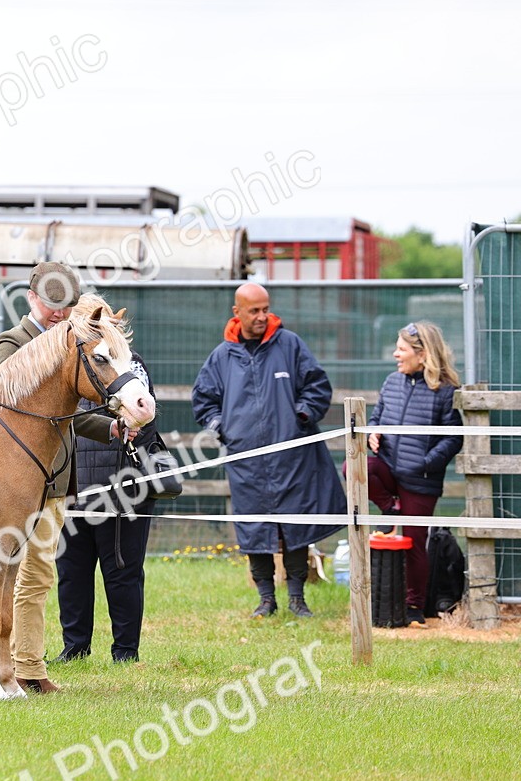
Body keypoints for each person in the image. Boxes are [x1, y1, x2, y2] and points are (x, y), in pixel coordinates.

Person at [0, 267, 119, 694]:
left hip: (55, 480)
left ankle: (24, 664)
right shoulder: (12, 342)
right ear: (31, 298)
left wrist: (111, 428)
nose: (57, 312)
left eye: (65, 304)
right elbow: (13, 406)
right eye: (50, 302)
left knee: (38, 574)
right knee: (11, 573)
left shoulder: (72, 342)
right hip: (14, 480)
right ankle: (16, 664)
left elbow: (74, 414)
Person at [191, 283, 345, 618]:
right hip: (246, 462)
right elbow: (203, 399)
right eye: (255, 311)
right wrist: (222, 427)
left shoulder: (289, 345)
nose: (263, 316)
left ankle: (297, 598)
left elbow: (318, 387)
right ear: (238, 312)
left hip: (292, 458)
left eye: (266, 309)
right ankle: (265, 599)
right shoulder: (221, 356)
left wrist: (300, 416)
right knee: (254, 526)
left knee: (295, 525)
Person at [56, 353, 158, 664]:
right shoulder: (65, 366)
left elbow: (144, 415)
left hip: (122, 490)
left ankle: (125, 651)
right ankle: (75, 648)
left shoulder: (131, 366)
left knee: (122, 572)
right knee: (71, 574)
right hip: (72, 488)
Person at [367, 321, 463, 627]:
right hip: (389, 468)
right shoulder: (390, 382)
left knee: (413, 541)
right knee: (357, 469)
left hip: (421, 480)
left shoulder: (446, 391)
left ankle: (413, 607)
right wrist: (372, 434)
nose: (396, 354)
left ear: (422, 355)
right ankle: (389, 508)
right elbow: (376, 417)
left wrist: (426, 463)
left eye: (402, 348)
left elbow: (453, 438)